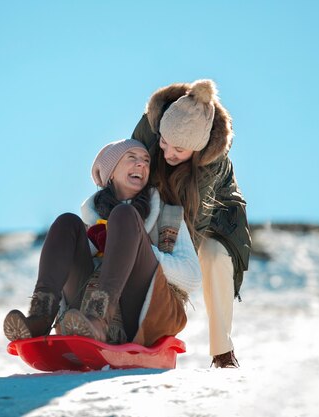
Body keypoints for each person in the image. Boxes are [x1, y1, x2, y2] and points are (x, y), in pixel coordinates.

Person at [3, 139, 201, 347]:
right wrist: (97, 247)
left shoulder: (167, 215)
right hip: (83, 315)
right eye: (131, 158)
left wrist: (140, 249)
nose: (141, 164)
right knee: (66, 222)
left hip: (144, 313)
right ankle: (40, 317)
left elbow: (192, 278)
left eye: (145, 161)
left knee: (125, 215)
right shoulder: (90, 223)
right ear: (111, 173)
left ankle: (100, 319)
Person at [131, 79, 251, 367]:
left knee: (211, 257)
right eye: (164, 143)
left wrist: (174, 293)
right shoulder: (151, 124)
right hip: (160, 193)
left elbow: (192, 228)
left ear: (196, 150)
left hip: (216, 216)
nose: (168, 153)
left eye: (179, 150)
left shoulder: (212, 162)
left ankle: (223, 352)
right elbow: (127, 164)